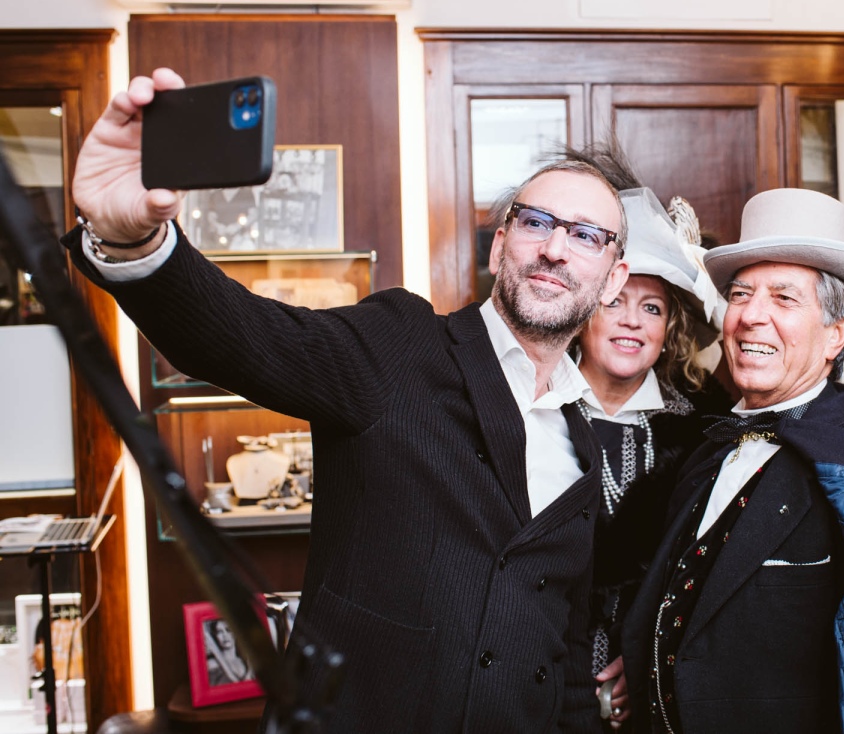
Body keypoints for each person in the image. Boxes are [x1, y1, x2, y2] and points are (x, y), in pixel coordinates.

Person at [66, 68, 630, 732]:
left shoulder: (583, 441)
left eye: (586, 235)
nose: (555, 249)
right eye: (536, 222)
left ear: (612, 278)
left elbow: (564, 653)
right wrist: (133, 240)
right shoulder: (400, 343)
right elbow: (243, 338)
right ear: (501, 244)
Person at [622, 189, 844, 734]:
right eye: (740, 294)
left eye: (784, 298)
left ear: (837, 333)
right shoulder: (709, 449)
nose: (751, 316)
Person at [574, 187, 729, 727]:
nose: (632, 321)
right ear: (582, 312)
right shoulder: (530, 413)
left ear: (669, 330)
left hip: (660, 683)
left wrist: (644, 662)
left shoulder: (706, 434)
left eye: (652, 308)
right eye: (614, 301)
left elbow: (709, 578)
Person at [204, 618, 253, 686]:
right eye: (219, 632)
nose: (225, 635)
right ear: (215, 636)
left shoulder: (244, 661)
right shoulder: (212, 664)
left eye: (228, 630)